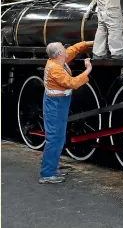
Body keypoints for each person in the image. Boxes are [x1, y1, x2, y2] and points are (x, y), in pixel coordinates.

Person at [39, 41, 93, 184]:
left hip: (59, 103)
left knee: (59, 137)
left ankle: (52, 167)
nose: (65, 49)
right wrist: (87, 70)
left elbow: (73, 50)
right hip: (55, 105)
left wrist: (89, 43)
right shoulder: (55, 68)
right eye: (63, 48)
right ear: (59, 54)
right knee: (54, 138)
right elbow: (72, 83)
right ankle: (47, 174)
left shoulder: (58, 59)